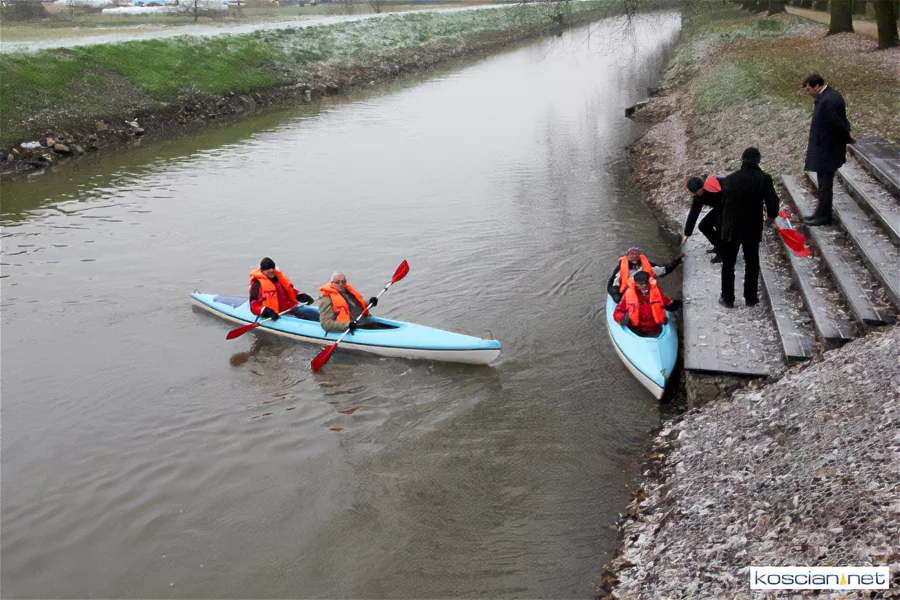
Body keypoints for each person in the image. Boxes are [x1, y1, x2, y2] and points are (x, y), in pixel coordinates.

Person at [719, 147, 779, 308]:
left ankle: (727, 297)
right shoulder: (763, 178)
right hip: (751, 225)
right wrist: (771, 216)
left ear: (742, 160)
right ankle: (750, 297)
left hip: (731, 226)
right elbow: (772, 200)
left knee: (728, 263)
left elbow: (722, 201)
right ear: (758, 160)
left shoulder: (730, 179)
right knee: (752, 262)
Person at [801, 73, 855, 226]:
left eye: (809, 89)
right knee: (823, 184)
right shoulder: (827, 97)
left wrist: (848, 136)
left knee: (825, 185)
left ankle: (824, 216)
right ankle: (820, 213)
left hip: (827, 150)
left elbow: (837, 123)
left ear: (816, 86)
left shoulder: (828, 100)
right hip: (825, 149)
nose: (809, 93)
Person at [613, 271, 682, 337]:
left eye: (646, 284)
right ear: (636, 283)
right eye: (641, 284)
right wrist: (622, 319)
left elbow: (667, 302)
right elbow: (618, 310)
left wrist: (680, 303)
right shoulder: (628, 295)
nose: (644, 286)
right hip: (637, 329)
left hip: (655, 328)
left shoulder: (656, 292)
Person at [607, 246, 681, 303]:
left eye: (636, 254)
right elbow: (612, 284)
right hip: (628, 292)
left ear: (640, 255)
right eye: (631, 254)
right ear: (627, 257)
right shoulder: (621, 267)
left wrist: (677, 262)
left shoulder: (647, 265)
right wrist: (616, 295)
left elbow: (663, 270)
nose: (634, 256)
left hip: (646, 291)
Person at [249, 257, 314, 321]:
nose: (272, 271)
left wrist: (301, 296)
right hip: (275, 314)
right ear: (263, 271)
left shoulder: (280, 278)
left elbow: (290, 291)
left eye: (273, 268)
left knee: (312, 314)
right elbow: (254, 304)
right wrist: (266, 311)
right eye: (269, 270)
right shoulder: (257, 284)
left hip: (288, 308)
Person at [682, 173, 725, 263]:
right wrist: (687, 233)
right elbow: (694, 213)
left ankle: (723, 253)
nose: (698, 194)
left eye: (699, 191)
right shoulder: (698, 197)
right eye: (696, 193)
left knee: (719, 225)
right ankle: (718, 246)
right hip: (720, 208)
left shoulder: (714, 184)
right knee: (703, 225)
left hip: (730, 206)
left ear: (702, 186)